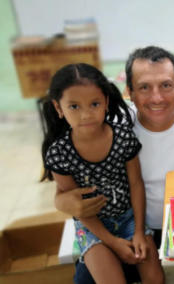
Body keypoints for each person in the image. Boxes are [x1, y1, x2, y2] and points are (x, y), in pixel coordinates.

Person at [54, 46, 174, 284]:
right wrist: (62, 201)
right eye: (144, 87)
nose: (157, 98)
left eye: (166, 85)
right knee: (86, 280)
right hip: (128, 225)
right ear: (129, 93)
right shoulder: (109, 129)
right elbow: (66, 189)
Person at [40, 63, 164, 284]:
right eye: (74, 107)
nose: (86, 114)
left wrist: (137, 232)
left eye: (94, 104)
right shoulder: (59, 154)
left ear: (106, 102)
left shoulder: (123, 137)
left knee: (155, 278)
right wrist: (113, 243)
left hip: (129, 219)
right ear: (59, 108)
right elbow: (78, 208)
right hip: (92, 226)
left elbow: (136, 184)